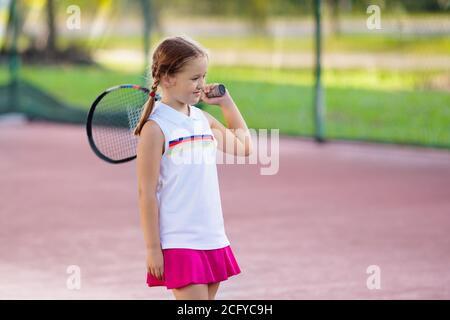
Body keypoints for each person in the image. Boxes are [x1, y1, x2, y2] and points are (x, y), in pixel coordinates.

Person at [134, 35, 253, 300]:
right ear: (168, 78)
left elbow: (244, 147)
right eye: (194, 78)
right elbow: (146, 193)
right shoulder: (155, 128)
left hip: (212, 235)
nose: (201, 85)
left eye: (204, 76)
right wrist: (153, 248)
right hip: (179, 240)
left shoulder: (202, 119)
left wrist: (226, 102)